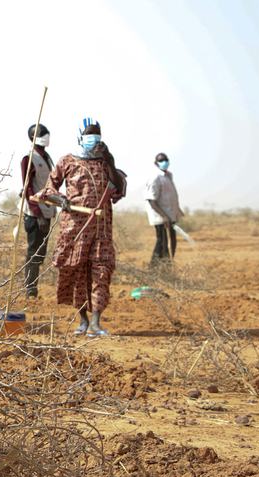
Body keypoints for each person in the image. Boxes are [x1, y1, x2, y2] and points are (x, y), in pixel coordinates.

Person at [39, 118, 126, 337]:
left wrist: (110, 160)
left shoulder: (105, 162)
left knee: (101, 273)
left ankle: (96, 322)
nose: (93, 140)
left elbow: (119, 187)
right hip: (75, 229)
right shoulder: (67, 161)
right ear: (80, 138)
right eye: (89, 137)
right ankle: (83, 321)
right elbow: (48, 189)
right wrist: (60, 199)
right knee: (76, 273)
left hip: (102, 229)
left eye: (96, 137)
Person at [19, 124, 56, 297]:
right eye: (42, 134)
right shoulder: (29, 158)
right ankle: (30, 289)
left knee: (41, 251)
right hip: (34, 214)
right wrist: (38, 213)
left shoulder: (46, 157)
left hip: (46, 210)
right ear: (33, 137)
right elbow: (27, 188)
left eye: (46, 133)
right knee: (34, 250)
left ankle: (32, 287)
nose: (46, 136)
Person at [145, 152, 183, 267]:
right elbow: (151, 200)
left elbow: (170, 196)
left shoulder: (168, 176)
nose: (164, 162)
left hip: (171, 214)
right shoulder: (155, 177)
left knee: (172, 241)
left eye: (166, 160)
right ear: (156, 163)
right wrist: (163, 216)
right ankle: (154, 267)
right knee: (162, 242)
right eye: (161, 160)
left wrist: (178, 211)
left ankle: (167, 264)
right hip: (160, 216)